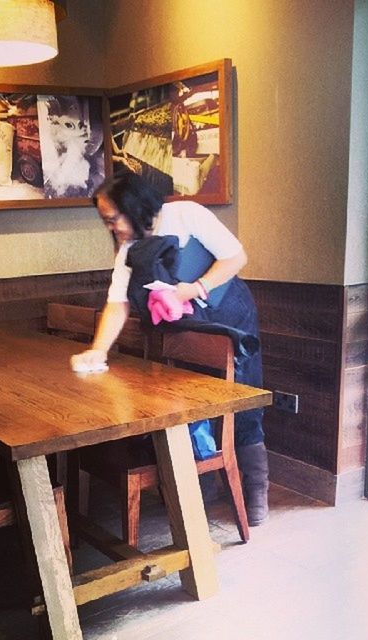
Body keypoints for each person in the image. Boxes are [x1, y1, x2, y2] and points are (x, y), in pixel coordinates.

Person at [71, 171, 269, 525]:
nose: (111, 227)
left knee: (243, 407)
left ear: (133, 207)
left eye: (112, 218)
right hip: (186, 332)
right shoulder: (129, 249)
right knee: (192, 411)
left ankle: (256, 491)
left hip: (230, 321)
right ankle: (203, 487)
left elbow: (236, 257)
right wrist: (98, 350)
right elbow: (118, 304)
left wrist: (193, 289)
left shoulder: (186, 215)